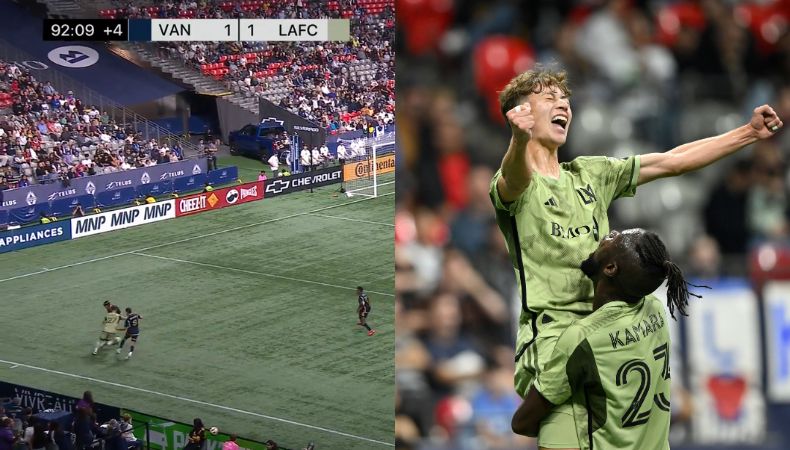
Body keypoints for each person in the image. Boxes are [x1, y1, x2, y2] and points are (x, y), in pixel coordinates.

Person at [490, 66, 783, 449]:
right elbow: (513, 178)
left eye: (565, 99)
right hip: (554, 339)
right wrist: (518, 139)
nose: (563, 105)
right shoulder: (516, 185)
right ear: (521, 112)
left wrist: (748, 133)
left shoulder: (591, 174)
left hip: (610, 336)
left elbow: (672, 161)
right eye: (550, 98)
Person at [512, 229, 700, 449]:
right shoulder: (655, 310)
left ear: (610, 268)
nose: (610, 233)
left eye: (614, 239)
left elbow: (522, 423)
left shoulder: (583, 338)